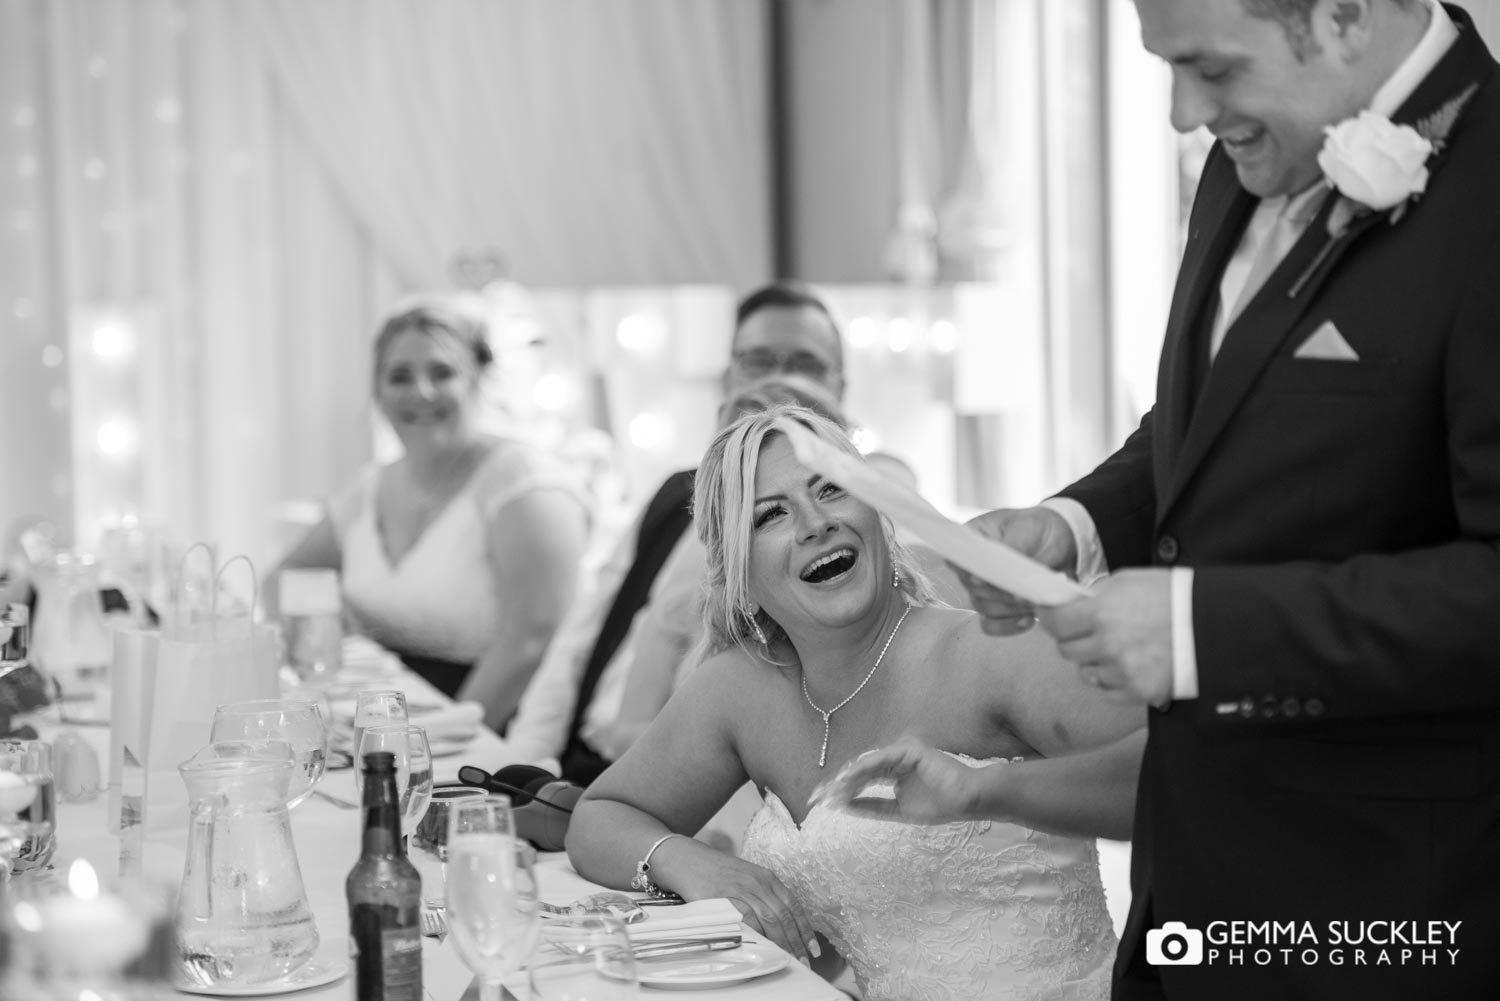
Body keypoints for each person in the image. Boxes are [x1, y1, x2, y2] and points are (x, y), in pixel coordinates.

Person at [825, 2, 1500, 998]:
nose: (1185, 113)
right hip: (1186, 899)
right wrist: (1080, 521)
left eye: (1212, 69)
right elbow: (1218, 419)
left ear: (1347, 16)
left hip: (1385, 912)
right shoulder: (1248, 156)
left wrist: (1201, 629)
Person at [566, 405, 1144, 1001]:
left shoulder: (991, 653)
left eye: (833, 490)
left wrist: (992, 793)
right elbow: (599, 816)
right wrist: (683, 860)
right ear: (738, 572)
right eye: (771, 515)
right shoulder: (741, 688)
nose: (815, 524)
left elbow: (1177, 782)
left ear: (878, 514)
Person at [498, 281, 848, 781]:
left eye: (806, 364)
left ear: (840, 388)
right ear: (728, 380)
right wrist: (526, 761)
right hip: (577, 761)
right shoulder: (675, 493)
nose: (780, 380)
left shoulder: (838, 528)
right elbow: (579, 638)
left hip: (677, 787)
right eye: (758, 361)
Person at [270, 295, 589, 726]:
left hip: (485, 726)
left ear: (477, 380)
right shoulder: (370, 486)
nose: (421, 391)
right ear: (378, 393)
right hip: (375, 721)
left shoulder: (523, 484)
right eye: (399, 376)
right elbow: (283, 579)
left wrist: (443, 741)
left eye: (442, 373)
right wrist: (325, 631)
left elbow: (533, 640)